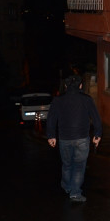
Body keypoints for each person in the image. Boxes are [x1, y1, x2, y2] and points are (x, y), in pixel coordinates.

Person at [46, 74, 102, 203]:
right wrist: (97, 134)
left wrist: (51, 135)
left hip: (64, 138)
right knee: (79, 166)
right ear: (81, 85)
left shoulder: (58, 100)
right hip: (82, 138)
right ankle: (75, 193)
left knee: (67, 164)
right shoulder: (87, 99)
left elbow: (51, 119)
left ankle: (67, 186)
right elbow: (96, 118)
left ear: (66, 86)